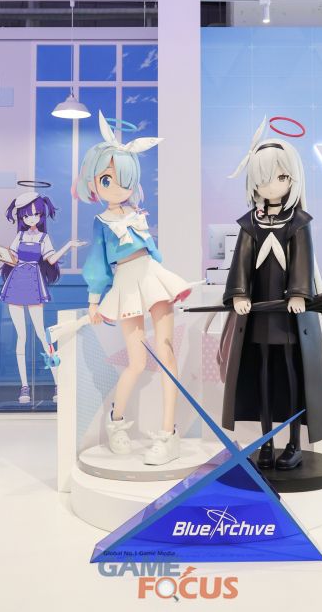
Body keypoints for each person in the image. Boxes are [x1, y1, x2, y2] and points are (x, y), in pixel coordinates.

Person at [74, 112, 197, 465]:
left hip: (152, 278)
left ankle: (168, 433)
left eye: (123, 179)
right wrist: (94, 300)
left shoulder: (138, 214)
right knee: (137, 362)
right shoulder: (101, 222)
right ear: (94, 182)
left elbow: (153, 253)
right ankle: (116, 422)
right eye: (107, 179)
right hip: (127, 283)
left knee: (167, 353)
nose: (116, 187)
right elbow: (97, 263)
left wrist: (164, 278)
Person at [220, 118, 322, 470]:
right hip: (257, 315)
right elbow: (240, 263)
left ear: (292, 179)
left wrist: (299, 293)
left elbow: (302, 261)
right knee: (263, 378)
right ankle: (266, 443)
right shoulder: (250, 223)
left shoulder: (298, 222)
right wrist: (239, 294)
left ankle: (294, 443)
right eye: (265, 178)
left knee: (291, 377)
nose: (272, 185)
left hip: (289, 319)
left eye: (281, 177)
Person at [0, 185, 83, 404]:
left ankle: (58, 383)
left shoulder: (44, 238)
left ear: (41, 215)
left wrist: (68, 245)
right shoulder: (19, 236)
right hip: (16, 283)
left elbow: (51, 259)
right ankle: (24, 386)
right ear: (21, 217)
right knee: (21, 336)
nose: (32, 218)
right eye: (27, 215)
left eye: (36, 214)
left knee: (41, 334)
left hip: (33, 284)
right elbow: (11, 259)